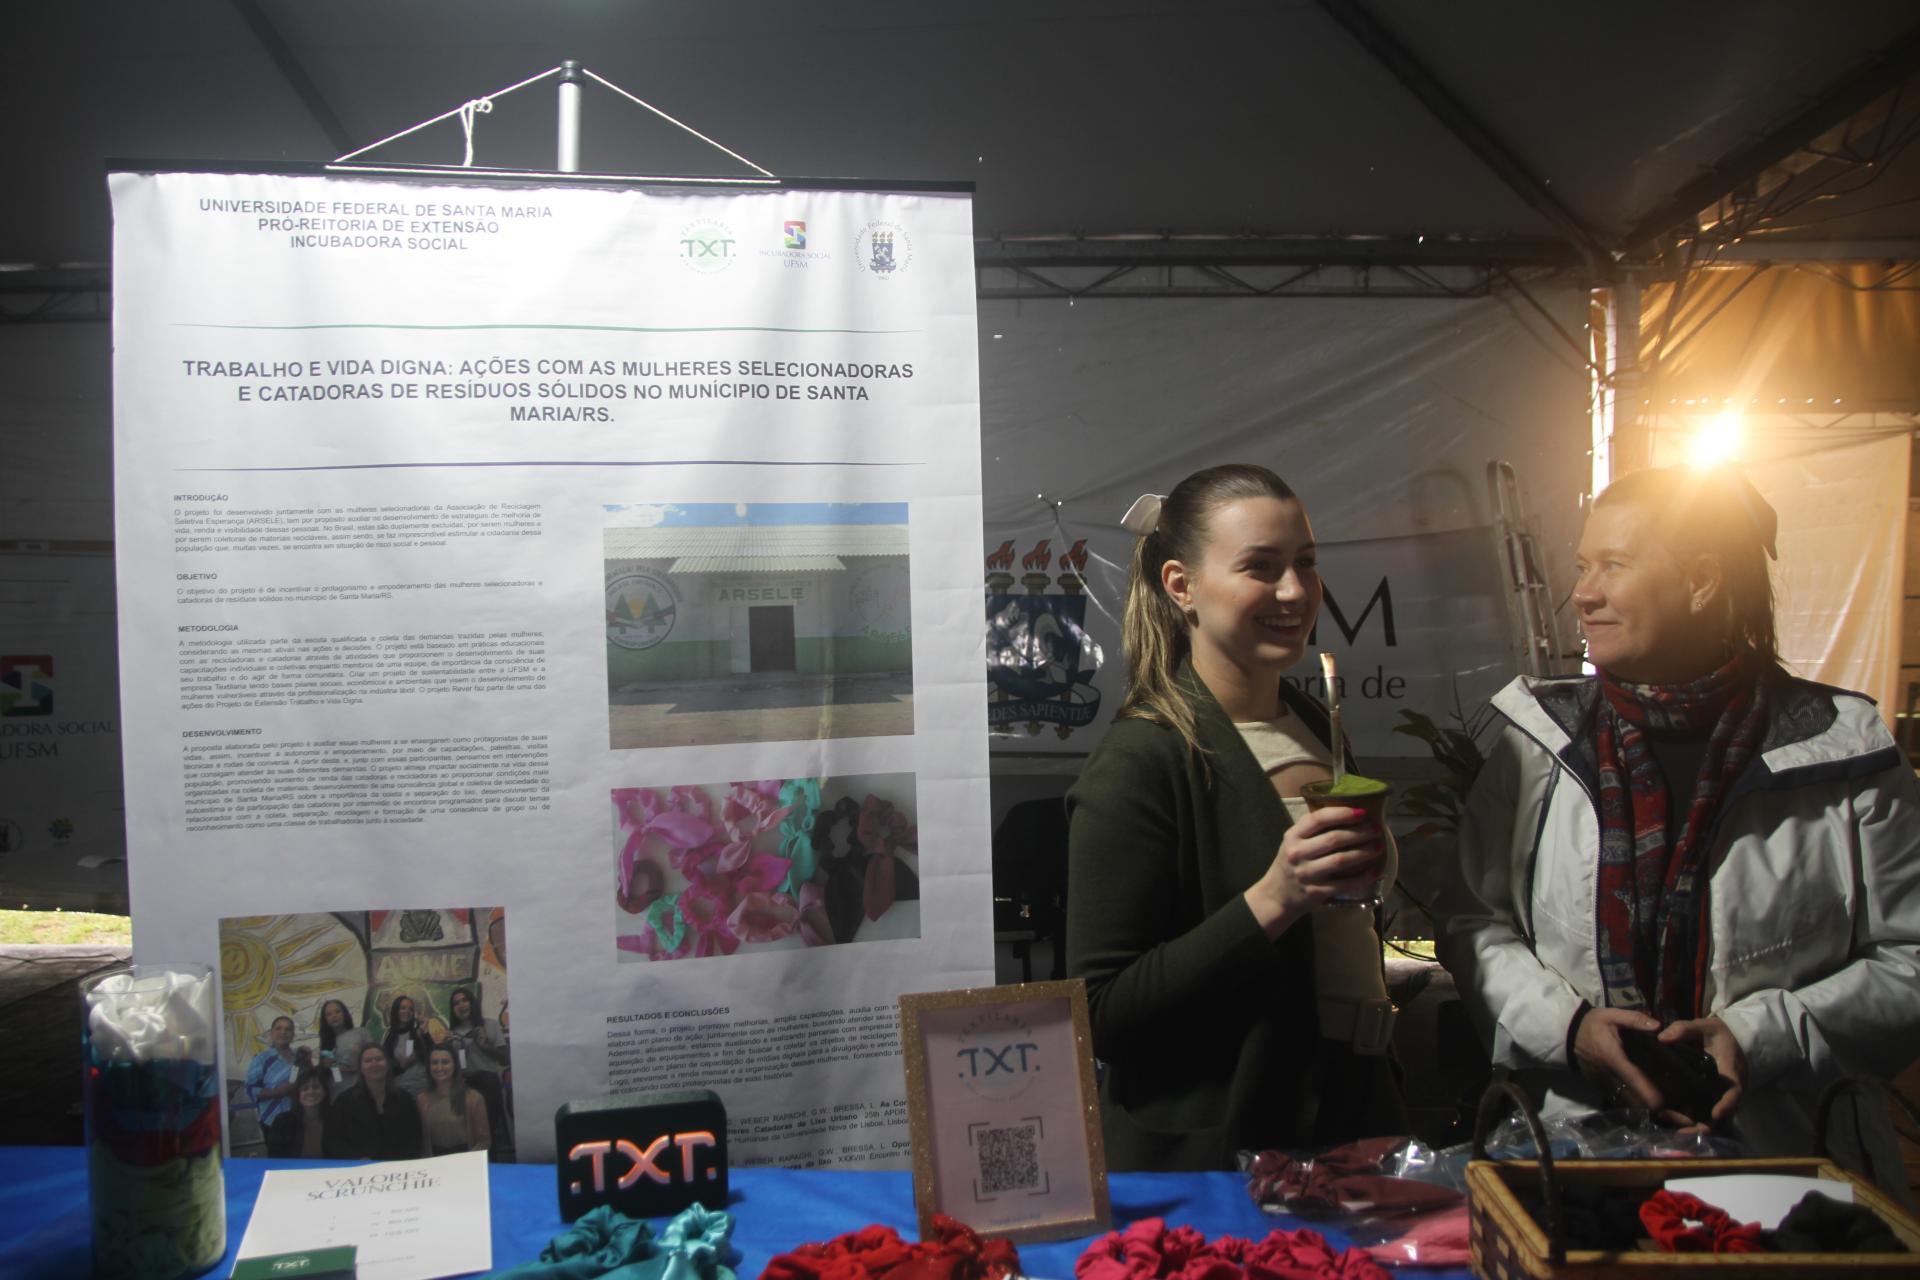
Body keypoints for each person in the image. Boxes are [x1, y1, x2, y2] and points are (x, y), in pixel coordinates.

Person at [1426, 466, 1920, 1200]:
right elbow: (1474, 923)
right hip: (1579, 1169)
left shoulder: (1841, 753)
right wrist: (1570, 1029)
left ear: (1701, 582)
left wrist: (1761, 1037)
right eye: (1582, 566)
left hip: (1789, 1169)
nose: (1583, 593)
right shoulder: (1540, 745)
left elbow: (1910, 957)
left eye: (1614, 566)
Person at [1066, 463, 1404, 1170]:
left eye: (1305, 563)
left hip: (1348, 1117)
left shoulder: (1315, 723)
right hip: (1221, 1159)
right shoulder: (1143, 759)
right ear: (1181, 586)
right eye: (1261, 567)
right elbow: (1102, 1014)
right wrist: (1273, 899)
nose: (1295, 591)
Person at [326, 1042, 425, 1160]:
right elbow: (334, 1140)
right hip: (359, 1167)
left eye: (379, 1059)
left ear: (388, 1064)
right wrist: (357, 1159)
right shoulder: (344, 1101)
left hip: (398, 1167)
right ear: (360, 1068)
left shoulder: (405, 1099)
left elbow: (415, 1137)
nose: (374, 1064)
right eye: (368, 1061)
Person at [445, 986, 511, 1150]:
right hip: (463, 1085)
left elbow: (505, 1059)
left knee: (487, 1133)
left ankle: (490, 1161)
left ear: (472, 1003)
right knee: (467, 1133)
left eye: (464, 1000)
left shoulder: (490, 1025)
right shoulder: (451, 1033)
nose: (461, 1005)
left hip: (487, 1084)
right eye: (456, 1003)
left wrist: (484, 1046)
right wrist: (446, 1047)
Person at [416, 1046, 490, 1156]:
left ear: (455, 1065)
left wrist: (466, 1160)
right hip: (434, 1160)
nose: (439, 1067)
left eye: (445, 1062)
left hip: (466, 1159)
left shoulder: (474, 1098)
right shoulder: (421, 1100)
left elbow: (484, 1141)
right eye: (435, 1063)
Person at [243, 1015, 305, 1131]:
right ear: (271, 1033)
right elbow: (250, 1089)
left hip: (298, 1118)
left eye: (288, 1029)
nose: (283, 1032)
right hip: (271, 1121)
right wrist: (277, 1092)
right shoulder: (262, 1059)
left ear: (293, 1034)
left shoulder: (300, 1057)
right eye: (279, 1028)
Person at [266, 1066, 331, 1158]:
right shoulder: (282, 1122)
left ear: (325, 1092)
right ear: (298, 1095)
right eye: (305, 1088)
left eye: (316, 1087)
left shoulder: (336, 1118)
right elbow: (275, 1158)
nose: (311, 1092)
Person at [316, 998, 373, 1101]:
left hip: (362, 1089)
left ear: (345, 1014)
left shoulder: (361, 1033)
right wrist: (325, 1066)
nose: (334, 1016)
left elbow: (375, 1058)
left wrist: (348, 1067)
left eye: (337, 1011)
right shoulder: (326, 1044)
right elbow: (324, 1074)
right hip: (337, 1094)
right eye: (329, 1014)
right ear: (325, 1019)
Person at [382, 994, 434, 1096]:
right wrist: (402, 1065)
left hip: (422, 1088)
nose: (407, 1011)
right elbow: (386, 1066)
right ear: (396, 1011)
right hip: (399, 1090)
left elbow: (432, 1054)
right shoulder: (389, 1036)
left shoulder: (419, 1031)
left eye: (411, 1009)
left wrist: (425, 1031)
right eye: (403, 1008)